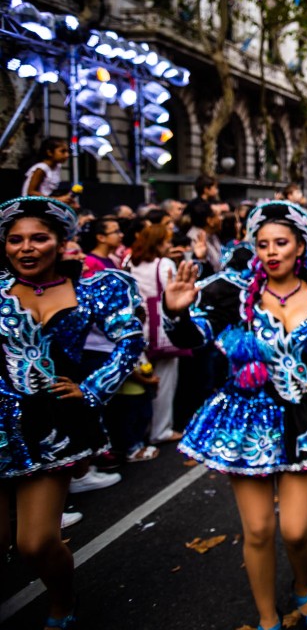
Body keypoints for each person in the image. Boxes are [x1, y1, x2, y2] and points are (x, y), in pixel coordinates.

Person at [162, 201, 307, 630]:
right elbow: (193, 338)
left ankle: (303, 584)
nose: (271, 252)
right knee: (258, 530)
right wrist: (175, 311)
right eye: (263, 244)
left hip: (304, 418)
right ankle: (266, 617)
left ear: (301, 246)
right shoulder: (231, 295)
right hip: (245, 420)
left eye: (281, 243)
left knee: (296, 530)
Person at [0, 196, 144, 629]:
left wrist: (92, 388)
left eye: (38, 238)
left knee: (36, 542)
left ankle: (63, 603)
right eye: (14, 240)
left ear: (61, 242)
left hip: (51, 426)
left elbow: (130, 342)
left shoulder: (95, 290)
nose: (25, 248)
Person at [128, 222, 186, 445]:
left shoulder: (131, 262)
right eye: (167, 241)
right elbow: (174, 292)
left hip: (138, 324)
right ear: (159, 243)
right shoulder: (164, 265)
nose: (169, 245)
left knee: (144, 378)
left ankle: (145, 428)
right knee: (165, 380)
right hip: (160, 325)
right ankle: (161, 429)